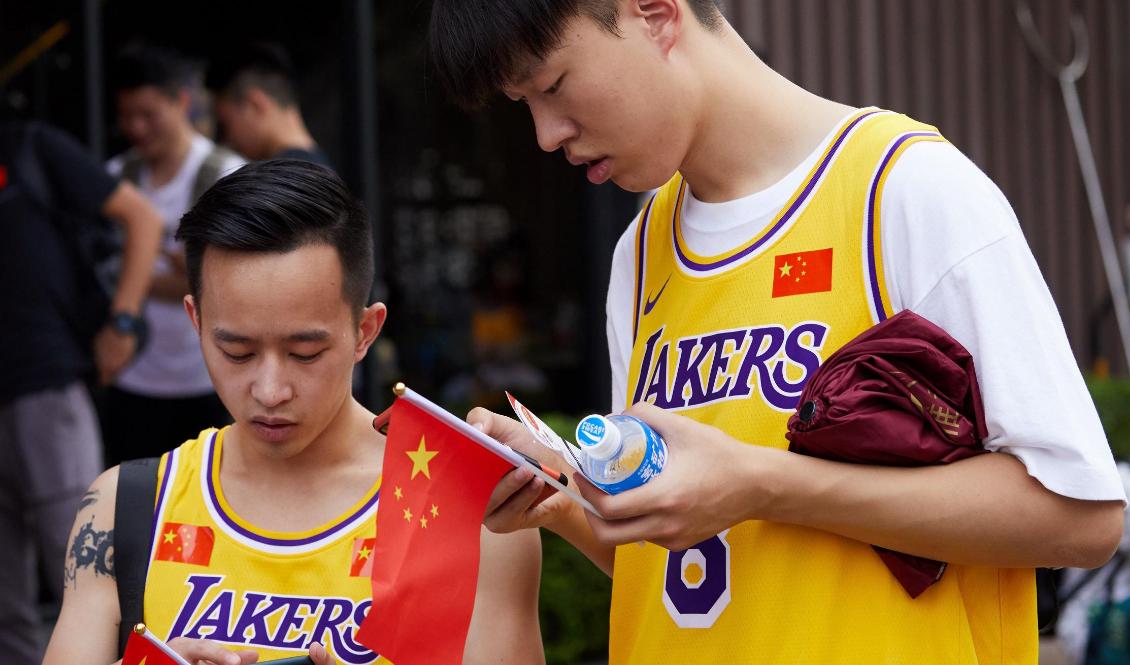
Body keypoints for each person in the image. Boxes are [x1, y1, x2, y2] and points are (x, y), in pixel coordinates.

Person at [427, 1, 1128, 662]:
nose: (548, 135)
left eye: (553, 85)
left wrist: (767, 483)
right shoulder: (640, 255)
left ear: (655, 12)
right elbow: (693, 572)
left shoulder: (906, 189)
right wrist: (560, 492)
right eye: (526, 107)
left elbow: (1083, 517)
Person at [43, 160, 544, 664]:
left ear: (365, 331)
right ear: (195, 321)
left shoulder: (472, 519)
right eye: (237, 352)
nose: (270, 389)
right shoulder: (125, 509)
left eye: (305, 353)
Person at [0, 118, 162, 662]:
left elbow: (142, 217)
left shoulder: (29, 145)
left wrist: (123, 322)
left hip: (45, 384)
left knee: (86, 570)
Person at [102, 44, 245, 466]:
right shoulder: (115, 177)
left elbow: (232, 280)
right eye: (127, 116)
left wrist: (138, 272)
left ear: (181, 101)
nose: (137, 127)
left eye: (148, 114)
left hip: (209, 382)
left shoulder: (226, 175)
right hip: (133, 379)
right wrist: (176, 274)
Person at [206, 43, 334, 169]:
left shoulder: (284, 177)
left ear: (255, 106)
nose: (227, 140)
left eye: (225, 124)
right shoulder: (316, 169)